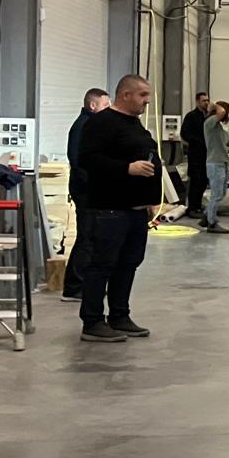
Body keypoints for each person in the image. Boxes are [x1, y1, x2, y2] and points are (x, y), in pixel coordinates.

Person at [76, 74, 161, 344]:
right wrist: (127, 168)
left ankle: (120, 316)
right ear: (126, 95)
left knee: (128, 264)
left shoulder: (134, 124)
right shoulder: (101, 123)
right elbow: (86, 159)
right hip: (109, 209)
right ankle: (92, 322)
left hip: (135, 210)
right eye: (143, 95)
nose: (147, 101)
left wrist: (150, 199)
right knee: (102, 265)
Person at [61, 87, 109, 303]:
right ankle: (74, 286)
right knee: (86, 238)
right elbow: (79, 161)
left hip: (91, 190)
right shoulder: (84, 126)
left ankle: (84, 283)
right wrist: (93, 185)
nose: (109, 110)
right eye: (106, 106)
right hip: (86, 191)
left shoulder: (92, 125)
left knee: (93, 238)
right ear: (93, 105)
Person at [200, 101, 229, 234]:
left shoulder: (218, 126)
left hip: (222, 162)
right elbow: (222, 112)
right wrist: (214, 105)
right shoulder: (210, 123)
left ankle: (206, 217)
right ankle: (211, 223)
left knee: (222, 193)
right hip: (215, 163)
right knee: (216, 194)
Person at [180, 91, 211, 217]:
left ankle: (198, 206)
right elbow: (184, 134)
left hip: (206, 155)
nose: (206, 103)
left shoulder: (208, 117)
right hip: (196, 155)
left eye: (207, 100)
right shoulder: (191, 116)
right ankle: (192, 208)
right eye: (204, 100)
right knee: (196, 182)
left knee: (203, 181)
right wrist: (198, 141)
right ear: (198, 102)